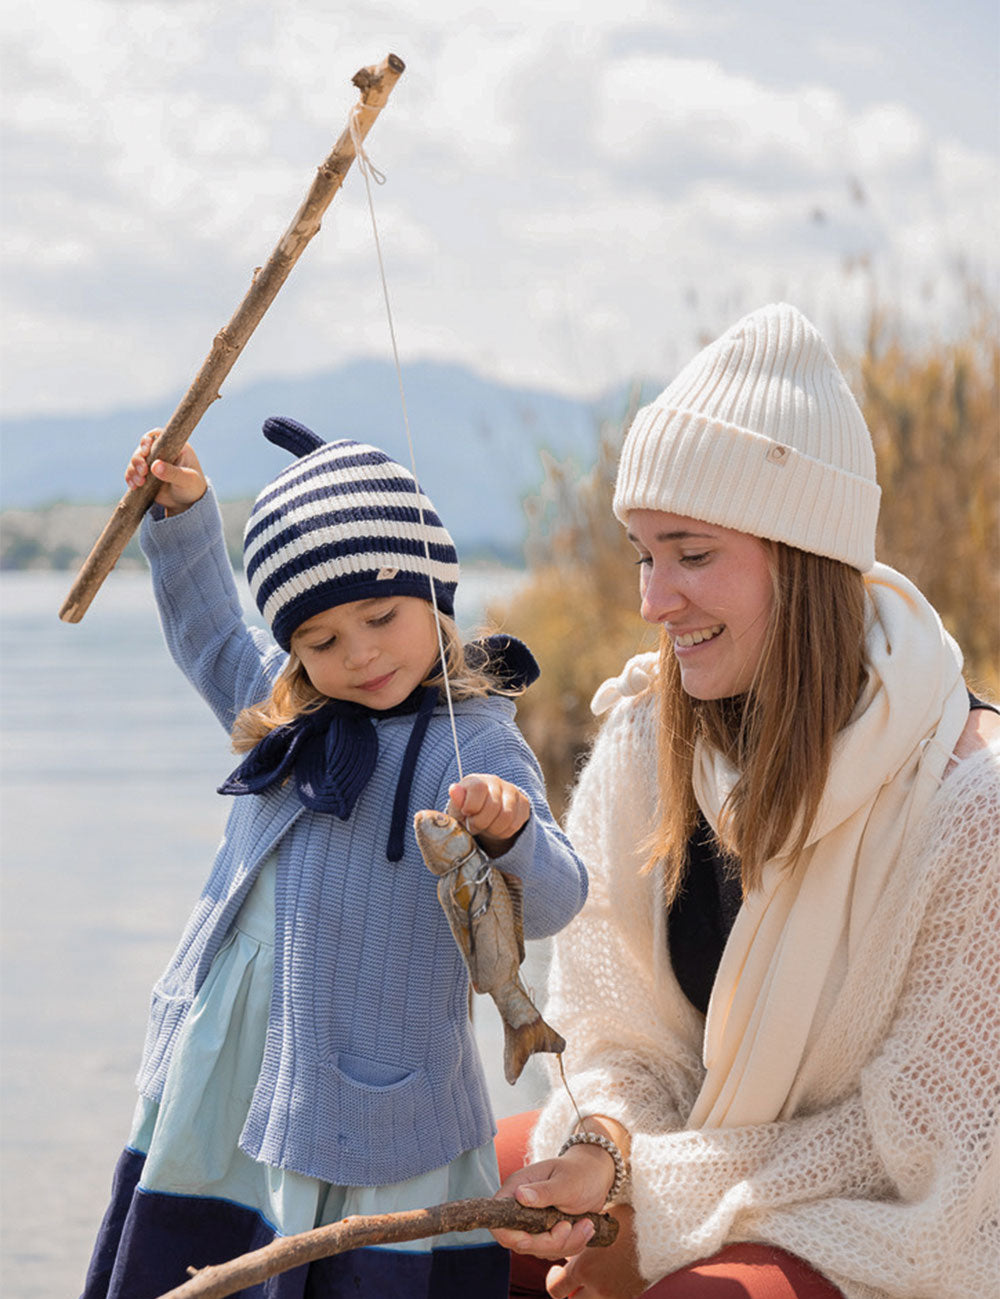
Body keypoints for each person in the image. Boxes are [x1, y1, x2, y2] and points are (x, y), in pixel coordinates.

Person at [491, 303, 1000, 1299]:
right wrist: (600, 1145)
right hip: (702, 1172)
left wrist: (643, 1191)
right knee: (462, 1196)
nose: (650, 601)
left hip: (892, 1225)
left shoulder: (969, 803)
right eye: (644, 554)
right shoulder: (646, 741)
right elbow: (611, 1034)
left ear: (802, 558)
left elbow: (924, 1143)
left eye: (690, 554)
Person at [80, 416, 588, 1299]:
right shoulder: (283, 716)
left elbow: (552, 903)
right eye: (319, 640)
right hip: (228, 1071)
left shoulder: (475, 743)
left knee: (357, 1274)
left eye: (382, 615)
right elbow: (211, 634)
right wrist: (187, 516)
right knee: (201, 1257)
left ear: (436, 592)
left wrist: (512, 833)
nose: (358, 653)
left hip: (380, 1090)